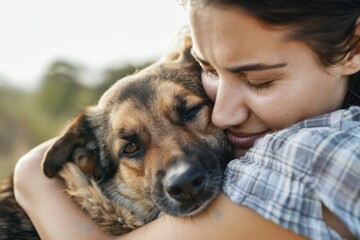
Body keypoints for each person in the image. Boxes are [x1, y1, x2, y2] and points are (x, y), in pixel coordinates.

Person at [13, 0, 360, 239]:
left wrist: (31, 173)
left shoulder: (321, 153)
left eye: (260, 81)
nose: (222, 114)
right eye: (209, 70)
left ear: (353, 49)